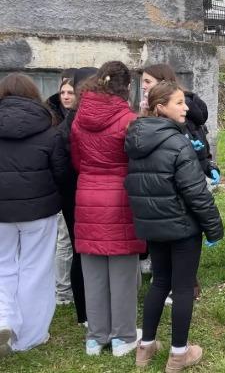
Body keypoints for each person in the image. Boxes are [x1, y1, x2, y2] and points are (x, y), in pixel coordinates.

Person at [125, 81, 223, 371]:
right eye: (179, 103)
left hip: (153, 226)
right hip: (181, 228)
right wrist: (214, 227)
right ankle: (179, 353)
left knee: (159, 282)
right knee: (182, 288)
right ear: (160, 107)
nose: (186, 108)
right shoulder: (176, 142)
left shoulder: (136, 139)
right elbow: (196, 191)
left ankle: (145, 349)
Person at [71, 61, 145, 356]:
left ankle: (95, 336)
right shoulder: (129, 119)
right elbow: (136, 161)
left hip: (87, 194)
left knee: (93, 272)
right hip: (119, 197)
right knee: (123, 271)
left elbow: (77, 161)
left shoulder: (79, 118)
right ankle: (123, 336)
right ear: (127, 87)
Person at [0, 73, 68, 356]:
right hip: (39, 212)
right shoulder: (50, 129)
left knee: (3, 267)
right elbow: (61, 173)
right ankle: (30, 337)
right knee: (36, 271)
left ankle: (4, 319)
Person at [58, 67, 98, 327]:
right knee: (81, 252)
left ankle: (87, 308)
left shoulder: (76, 119)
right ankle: (84, 311)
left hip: (80, 193)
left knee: (84, 251)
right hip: (76, 195)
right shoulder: (72, 124)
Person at [47, 69, 77, 306]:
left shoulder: (77, 117)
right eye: (63, 92)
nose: (66, 96)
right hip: (63, 187)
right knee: (64, 240)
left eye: (71, 92)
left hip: (76, 186)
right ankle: (63, 291)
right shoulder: (52, 116)